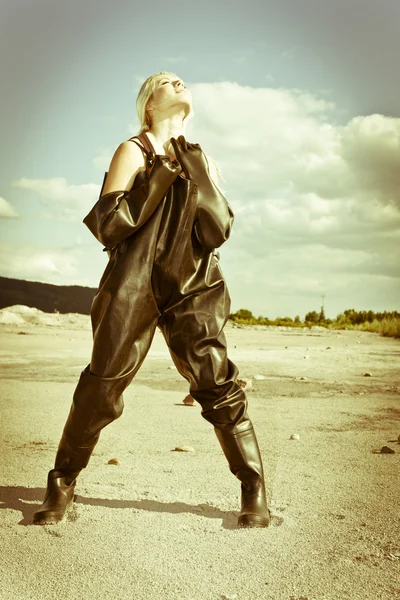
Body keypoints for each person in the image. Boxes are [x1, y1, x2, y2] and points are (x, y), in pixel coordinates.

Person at [33, 71, 271, 529]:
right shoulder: (133, 150)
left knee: (216, 383)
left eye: (182, 79)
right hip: (132, 283)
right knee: (103, 382)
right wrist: (160, 174)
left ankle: (252, 486)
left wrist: (196, 173)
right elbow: (109, 225)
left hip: (194, 284)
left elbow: (217, 231)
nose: (178, 82)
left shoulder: (204, 158)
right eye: (165, 80)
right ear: (149, 103)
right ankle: (61, 482)